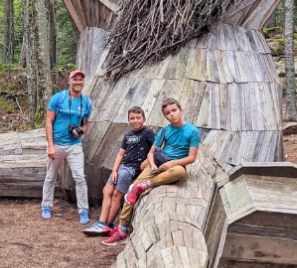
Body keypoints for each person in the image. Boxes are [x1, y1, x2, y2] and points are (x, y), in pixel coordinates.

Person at [103, 98, 199, 245]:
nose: (172, 114)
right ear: (165, 116)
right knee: (131, 190)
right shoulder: (164, 130)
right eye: (168, 113)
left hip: (176, 164)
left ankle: (146, 185)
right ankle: (122, 229)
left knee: (180, 172)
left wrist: (172, 163)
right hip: (158, 163)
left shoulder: (192, 131)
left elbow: (191, 158)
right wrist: (153, 165)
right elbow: (151, 152)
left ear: (181, 110)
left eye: (174, 110)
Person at [83, 106, 154, 236]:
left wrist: (148, 161)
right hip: (122, 167)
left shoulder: (148, 133)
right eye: (132, 118)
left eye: (138, 118)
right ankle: (101, 222)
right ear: (128, 120)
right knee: (107, 191)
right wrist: (114, 170)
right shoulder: (128, 135)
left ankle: (108, 225)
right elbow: (120, 155)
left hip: (132, 169)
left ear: (144, 119)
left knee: (117, 194)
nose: (135, 120)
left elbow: (156, 149)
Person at [42, 70, 93, 223]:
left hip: (74, 145)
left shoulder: (86, 102)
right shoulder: (58, 98)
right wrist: (50, 146)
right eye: (75, 79)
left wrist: (80, 132)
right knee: (51, 176)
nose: (78, 82)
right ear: (70, 81)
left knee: (79, 177)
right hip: (57, 143)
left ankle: (83, 210)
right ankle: (46, 206)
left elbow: (85, 124)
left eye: (80, 80)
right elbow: (48, 122)